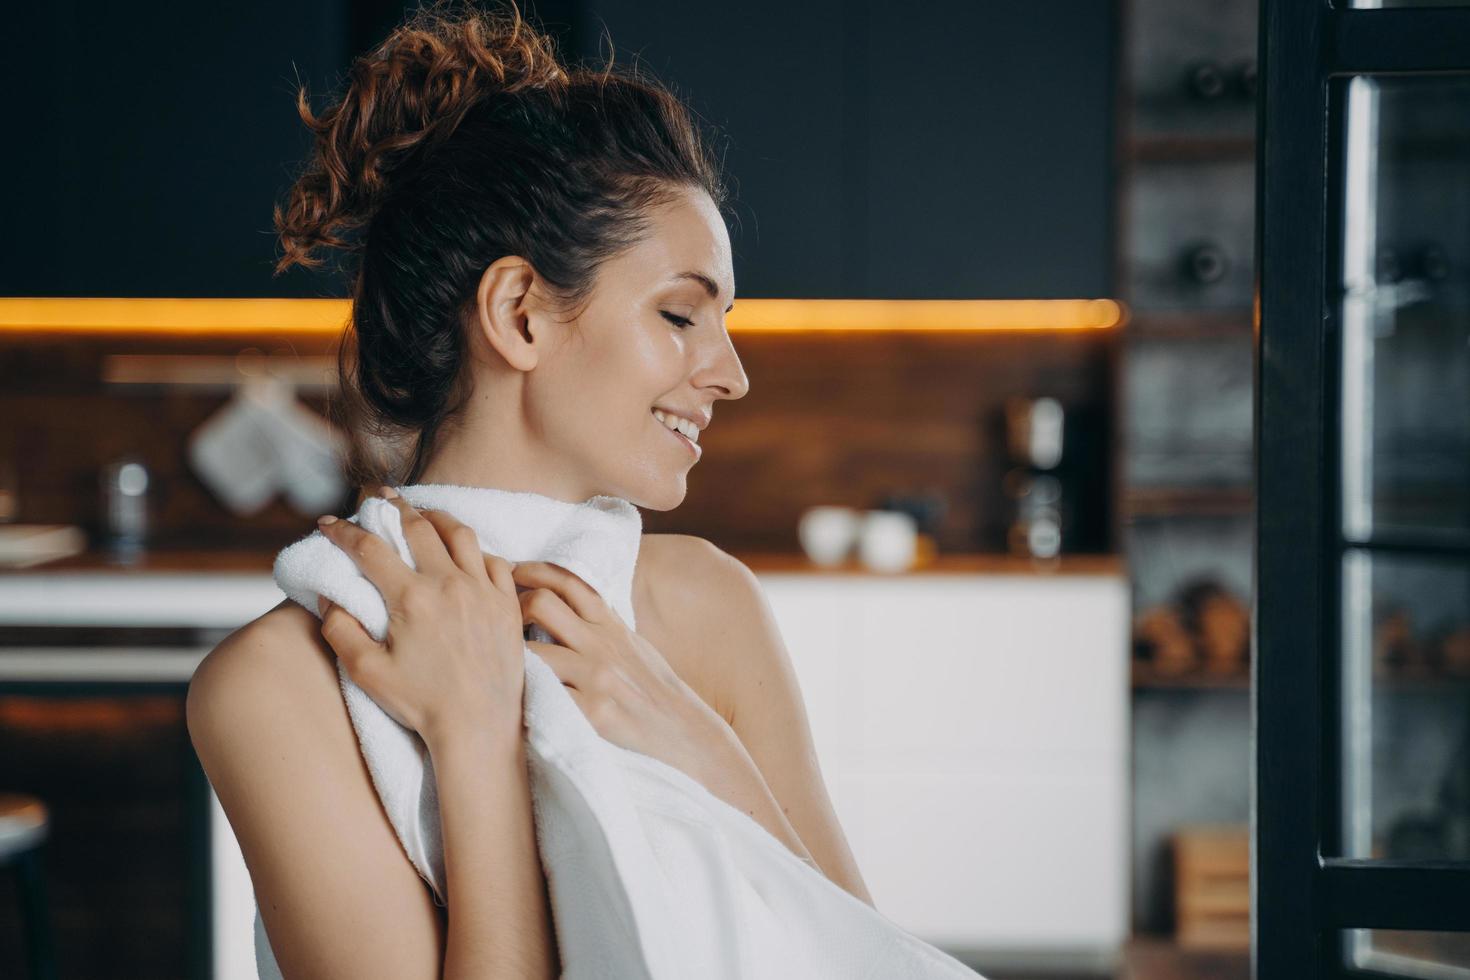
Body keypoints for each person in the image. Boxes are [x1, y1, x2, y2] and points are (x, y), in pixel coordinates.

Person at [185, 2, 873, 977]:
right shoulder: (280, 684)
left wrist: (696, 742)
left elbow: (868, 956)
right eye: (680, 313)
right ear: (519, 315)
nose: (730, 373)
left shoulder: (707, 607)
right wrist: (475, 741)